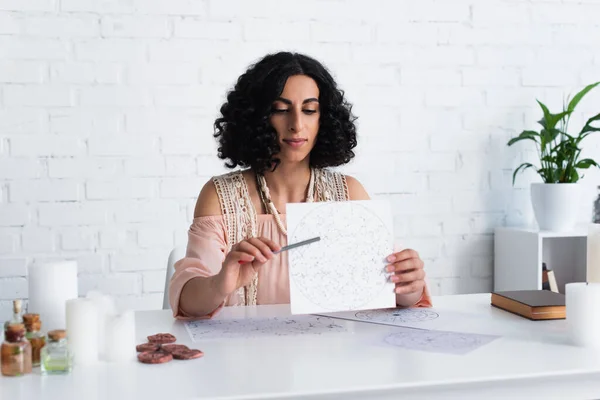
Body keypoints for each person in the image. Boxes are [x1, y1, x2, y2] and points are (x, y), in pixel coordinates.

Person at [169, 52, 431, 319]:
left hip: (333, 355)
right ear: (256, 117)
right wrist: (219, 283)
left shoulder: (349, 194)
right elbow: (188, 305)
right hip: (246, 358)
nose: (296, 125)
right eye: (281, 110)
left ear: (324, 119)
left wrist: (409, 284)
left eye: (309, 110)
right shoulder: (219, 197)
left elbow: (395, 296)